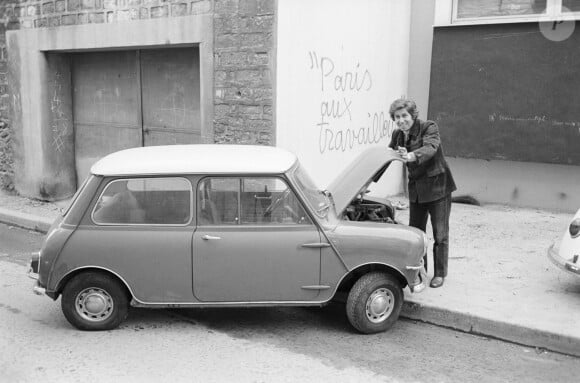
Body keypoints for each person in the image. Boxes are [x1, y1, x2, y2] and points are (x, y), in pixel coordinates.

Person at [388, 98, 456, 288]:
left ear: (412, 115)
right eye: (397, 117)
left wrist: (410, 155)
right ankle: (421, 270)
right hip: (417, 191)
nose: (401, 120)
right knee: (416, 235)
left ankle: (440, 274)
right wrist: (368, 180)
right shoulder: (398, 135)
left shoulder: (429, 127)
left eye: (404, 116)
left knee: (440, 234)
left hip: (438, 188)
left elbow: (430, 149)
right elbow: (388, 155)